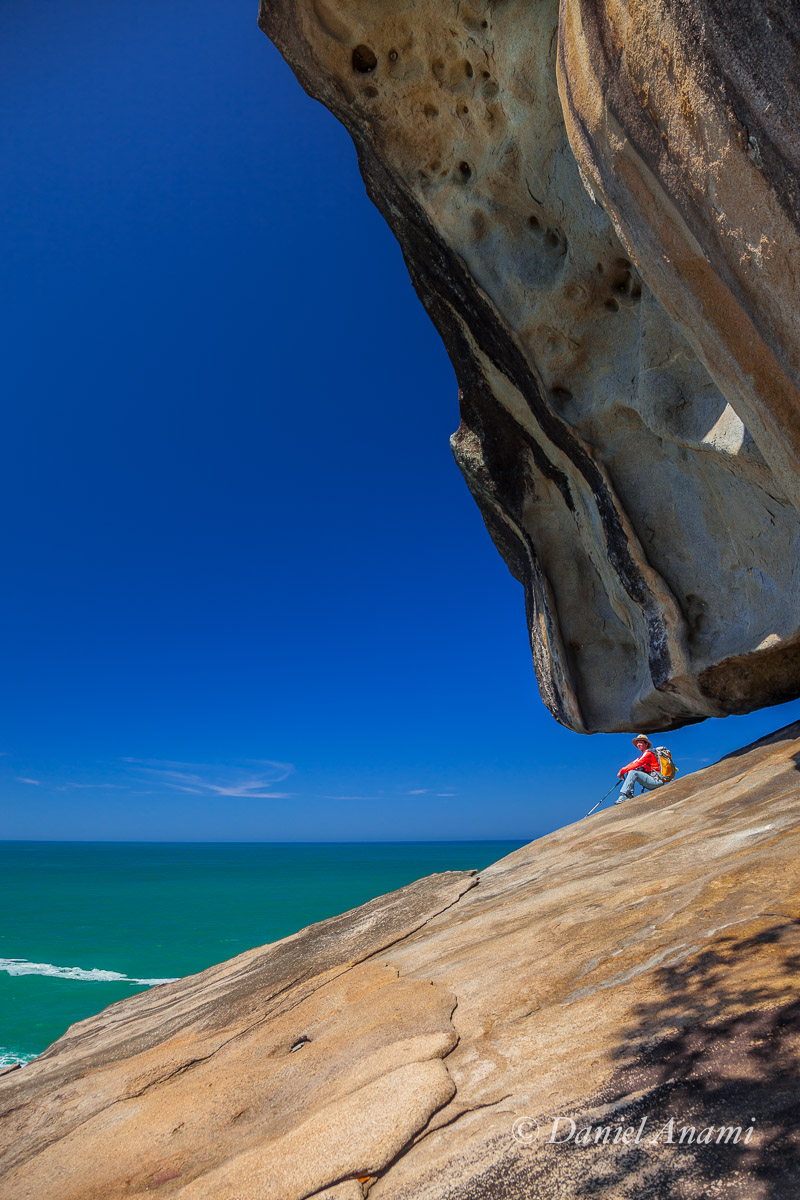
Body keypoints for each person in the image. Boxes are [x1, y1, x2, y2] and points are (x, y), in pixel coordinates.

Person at [615, 734, 664, 804]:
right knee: (630, 771)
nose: (638, 744)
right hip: (651, 780)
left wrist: (621, 771)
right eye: (637, 742)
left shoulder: (648, 753)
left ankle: (623, 795)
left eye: (640, 742)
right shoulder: (643, 755)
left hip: (656, 781)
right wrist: (623, 770)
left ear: (646, 744)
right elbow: (632, 764)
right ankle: (629, 795)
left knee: (633, 772)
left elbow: (637, 764)